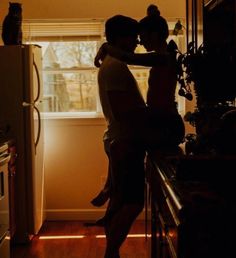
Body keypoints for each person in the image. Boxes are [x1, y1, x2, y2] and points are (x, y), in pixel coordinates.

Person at [92, 4, 185, 210]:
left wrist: (106, 47)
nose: (140, 41)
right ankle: (113, 186)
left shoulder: (164, 57)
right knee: (120, 141)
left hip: (166, 124)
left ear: (154, 34)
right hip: (161, 121)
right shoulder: (161, 56)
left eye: (142, 36)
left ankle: (114, 188)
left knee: (123, 143)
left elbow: (129, 57)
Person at [95, 14, 148, 258]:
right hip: (125, 142)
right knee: (133, 202)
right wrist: (153, 114)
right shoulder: (115, 67)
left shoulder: (112, 62)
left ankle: (111, 253)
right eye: (133, 37)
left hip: (120, 140)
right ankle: (111, 252)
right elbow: (122, 111)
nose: (137, 42)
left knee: (119, 202)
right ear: (120, 38)